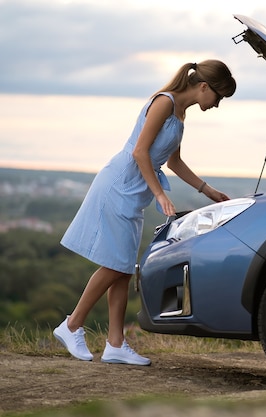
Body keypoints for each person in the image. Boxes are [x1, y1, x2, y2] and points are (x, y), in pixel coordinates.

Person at [53, 59, 236, 366]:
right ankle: (71, 325)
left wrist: (208, 190)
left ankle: (115, 344)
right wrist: (160, 194)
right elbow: (140, 151)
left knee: (123, 270)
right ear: (204, 87)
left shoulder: (180, 113)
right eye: (218, 97)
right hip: (120, 185)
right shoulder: (164, 102)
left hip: (134, 191)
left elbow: (174, 162)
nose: (217, 104)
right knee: (116, 266)